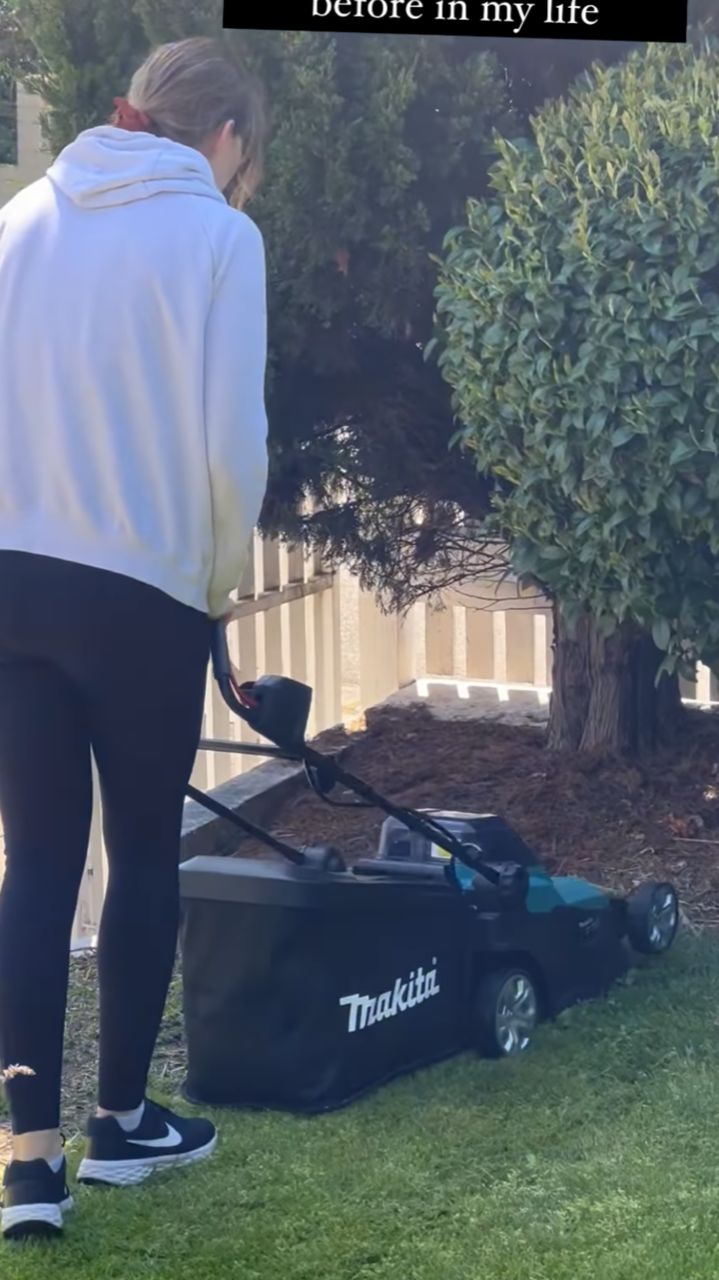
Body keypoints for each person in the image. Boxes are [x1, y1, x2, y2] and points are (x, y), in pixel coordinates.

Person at [0, 36, 269, 1241]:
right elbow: (230, 450)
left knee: (36, 864)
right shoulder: (218, 237)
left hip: (12, 582)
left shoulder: (20, 219)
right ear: (226, 136)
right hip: (143, 592)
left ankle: (27, 1159)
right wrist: (216, 590)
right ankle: (120, 1120)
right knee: (144, 852)